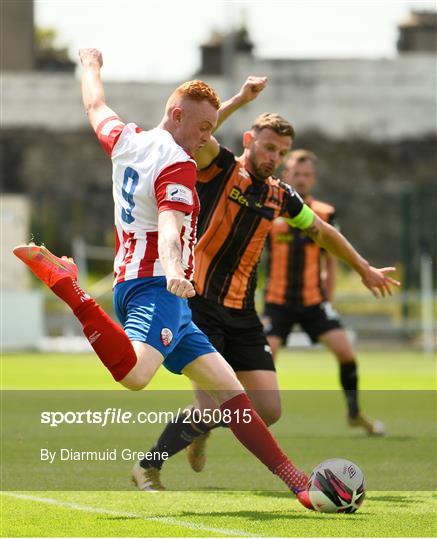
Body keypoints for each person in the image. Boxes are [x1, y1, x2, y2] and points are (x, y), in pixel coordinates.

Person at [13, 48, 321, 509]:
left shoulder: (127, 140)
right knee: (137, 376)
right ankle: (71, 288)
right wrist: (177, 271)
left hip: (145, 288)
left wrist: (92, 65)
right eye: (202, 129)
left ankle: (299, 483)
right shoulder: (176, 163)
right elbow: (173, 228)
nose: (206, 139)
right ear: (176, 115)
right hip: (157, 285)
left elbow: (95, 105)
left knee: (231, 395)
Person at [137, 81, 399, 489]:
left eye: (281, 152)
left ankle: (198, 432)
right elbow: (194, 134)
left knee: (269, 410)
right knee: (210, 406)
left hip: (243, 312)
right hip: (200, 303)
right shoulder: (219, 166)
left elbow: (324, 233)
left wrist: (363, 268)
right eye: (268, 148)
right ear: (249, 141)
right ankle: (148, 466)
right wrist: (240, 100)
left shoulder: (281, 196)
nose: (274, 158)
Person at [263, 149, 384, 435]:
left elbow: (330, 258)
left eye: (306, 175)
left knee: (345, 352)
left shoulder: (325, 213)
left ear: (313, 179)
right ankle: (257, 419)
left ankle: (354, 413)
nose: (301, 180)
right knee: (265, 361)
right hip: (277, 302)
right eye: (296, 174)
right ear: (285, 175)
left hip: (313, 302)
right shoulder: (270, 212)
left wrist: (328, 298)